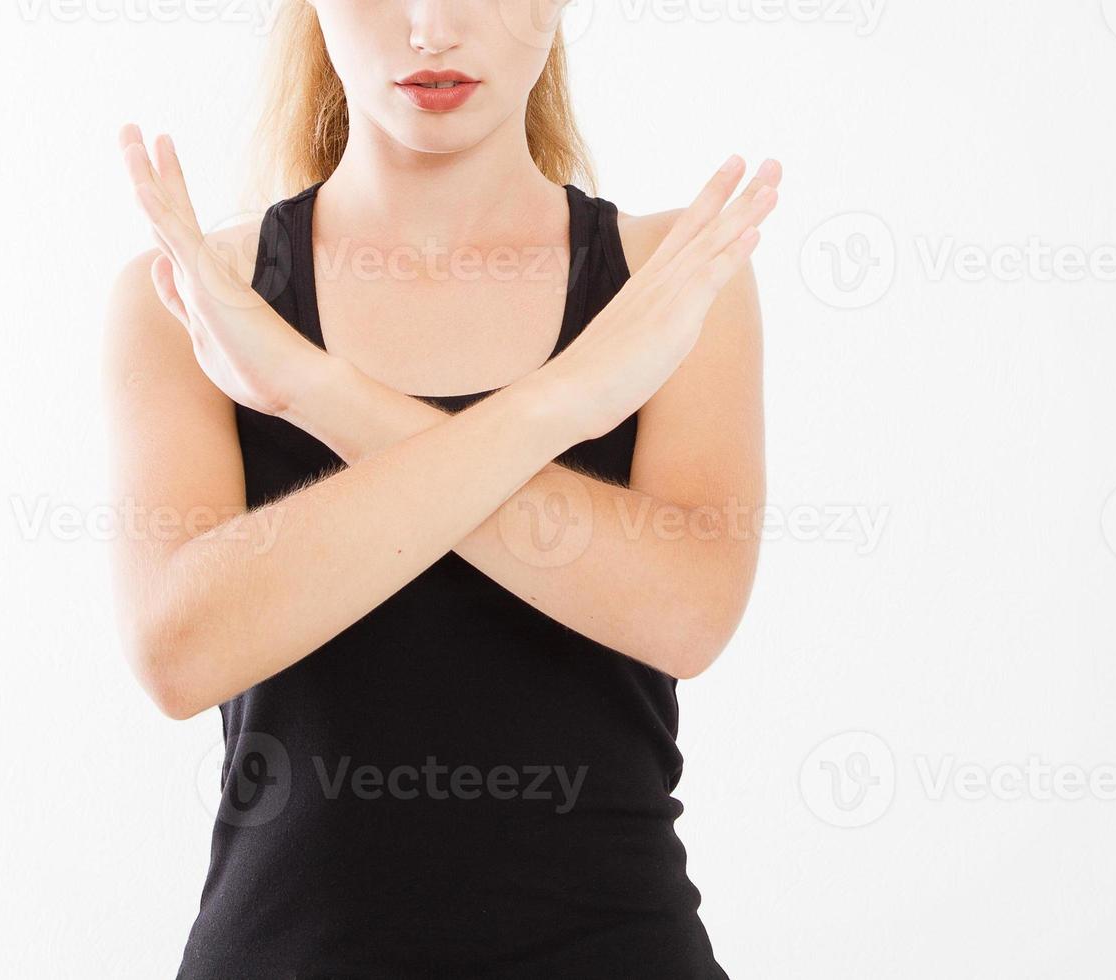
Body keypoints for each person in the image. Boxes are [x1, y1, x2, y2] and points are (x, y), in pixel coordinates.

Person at [103, 1, 779, 975]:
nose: (430, 28)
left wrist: (316, 392)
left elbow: (683, 612)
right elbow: (179, 648)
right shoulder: (194, 296)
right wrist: (561, 403)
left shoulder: (669, 279)